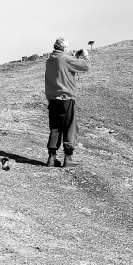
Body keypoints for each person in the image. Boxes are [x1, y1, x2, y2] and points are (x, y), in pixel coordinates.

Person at [44, 37, 90, 167]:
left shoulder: (49, 61)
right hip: (66, 99)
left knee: (55, 128)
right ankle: (68, 158)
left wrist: (74, 57)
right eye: (67, 47)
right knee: (70, 127)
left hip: (53, 100)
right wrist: (85, 55)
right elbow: (85, 66)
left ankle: (51, 158)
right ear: (64, 48)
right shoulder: (66, 59)